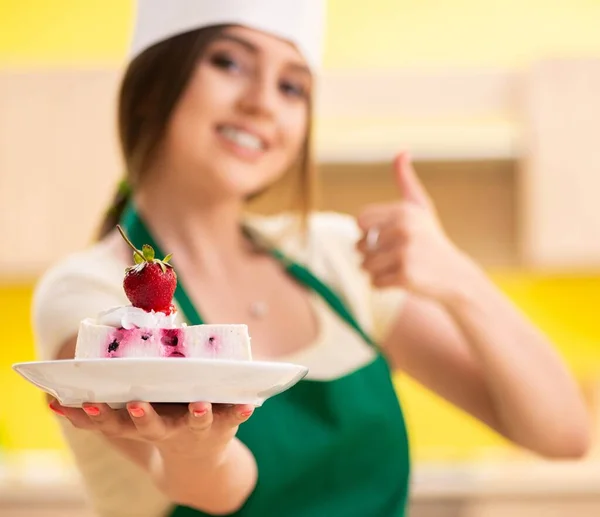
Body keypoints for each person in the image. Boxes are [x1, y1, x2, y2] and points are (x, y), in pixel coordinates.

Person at [32, 1, 590, 516]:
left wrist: (460, 280)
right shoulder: (90, 295)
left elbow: (563, 435)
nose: (262, 102)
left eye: (293, 87)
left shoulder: (335, 256)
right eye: (228, 62)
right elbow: (218, 490)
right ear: (154, 84)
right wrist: (197, 448)